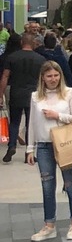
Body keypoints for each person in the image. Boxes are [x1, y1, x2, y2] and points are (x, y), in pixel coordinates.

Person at [25, 62, 72, 241]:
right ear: (42, 77)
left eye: (56, 75)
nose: (53, 79)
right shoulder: (35, 97)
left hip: (66, 143)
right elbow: (32, 124)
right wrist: (30, 148)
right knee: (47, 185)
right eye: (49, 76)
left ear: (60, 76)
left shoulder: (70, 93)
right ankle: (48, 225)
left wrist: (57, 115)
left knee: (70, 184)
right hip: (43, 145)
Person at [0, 33, 46, 163]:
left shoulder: (12, 57)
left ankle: (11, 146)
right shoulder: (40, 59)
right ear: (33, 43)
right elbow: (43, 79)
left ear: (21, 43)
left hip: (16, 93)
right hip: (34, 95)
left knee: (14, 122)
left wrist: (1, 95)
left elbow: (5, 76)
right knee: (30, 124)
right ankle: (29, 152)